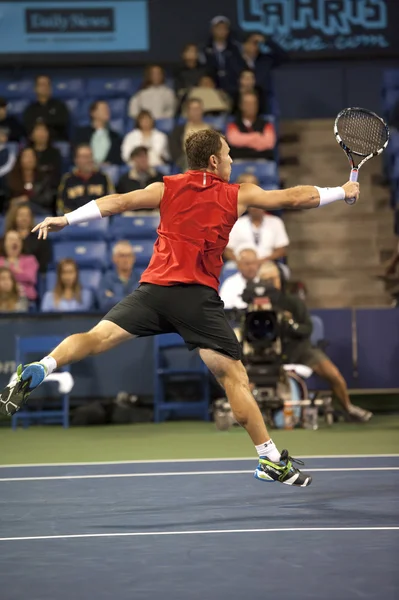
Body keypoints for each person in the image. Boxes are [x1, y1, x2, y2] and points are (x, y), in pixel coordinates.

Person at [0, 129, 361, 488]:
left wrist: (66, 219)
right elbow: (294, 198)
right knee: (234, 378)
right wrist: (341, 191)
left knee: (96, 337)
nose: (233, 160)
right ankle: (269, 460)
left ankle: (42, 367)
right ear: (214, 161)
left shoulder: (165, 186)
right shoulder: (237, 194)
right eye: (229, 154)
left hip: (153, 291)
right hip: (196, 300)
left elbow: (118, 201)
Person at [221, 259, 372, 422]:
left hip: (298, 349)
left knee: (332, 373)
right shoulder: (252, 304)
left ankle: (347, 407)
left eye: (273, 279)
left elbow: (307, 329)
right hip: (263, 352)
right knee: (241, 378)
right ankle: (237, 414)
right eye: (265, 280)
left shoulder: (292, 302)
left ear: (280, 280)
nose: (269, 283)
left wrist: (289, 324)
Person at [225, 174, 289, 265]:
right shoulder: (236, 222)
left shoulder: (275, 222)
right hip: (240, 264)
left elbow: (282, 250)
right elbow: (227, 250)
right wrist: (241, 263)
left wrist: (261, 261)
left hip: (267, 263)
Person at [57, 144, 114, 214]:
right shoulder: (68, 179)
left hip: (99, 219)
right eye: (85, 157)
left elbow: (111, 200)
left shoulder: (103, 177)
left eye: (90, 156)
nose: (89, 160)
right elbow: (61, 204)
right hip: (74, 220)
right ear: (76, 160)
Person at [226, 92, 276, 160]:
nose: (251, 107)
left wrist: (244, 141)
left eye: (253, 103)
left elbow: (269, 143)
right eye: (247, 104)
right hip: (239, 161)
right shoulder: (233, 124)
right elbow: (234, 140)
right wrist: (256, 136)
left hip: (262, 161)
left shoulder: (266, 124)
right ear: (241, 106)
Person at [6, 147, 56, 215]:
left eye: (32, 156)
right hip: (15, 212)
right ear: (20, 159)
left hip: (38, 211)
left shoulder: (44, 177)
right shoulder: (10, 177)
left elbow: (48, 199)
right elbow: (5, 200)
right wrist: (16, 201)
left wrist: (28, 199)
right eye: (26, 156)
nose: (30, 159)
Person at [4, 204, 52, 273]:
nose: (24, 218)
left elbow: (44, 263)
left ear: (31, 218)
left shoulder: (40, 239)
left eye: (27, 215)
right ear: (14, 218)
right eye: (21, 215)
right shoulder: (6, 238)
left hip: (32, 275)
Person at [73, 101, 122, 166]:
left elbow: (117, 159)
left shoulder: (115, 136)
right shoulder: (81, 134)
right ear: (93, 113)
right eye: (103, 109)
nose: (107, 112)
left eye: (108, 109)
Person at [23, 75, 69, 141]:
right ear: (35, 88)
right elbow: (28, 128)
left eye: (47, 85)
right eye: (41, 85)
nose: (44, 87)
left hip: (56, 141)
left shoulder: (60, 106)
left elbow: (62, 125)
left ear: (51, 88)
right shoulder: (30, 109)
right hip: (35, 143)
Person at [200, 15, 240, 91]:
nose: (221, 31)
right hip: (212, 88)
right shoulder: (205, 49)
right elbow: (203, 69)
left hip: (232, 88)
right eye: (218, 28)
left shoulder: (235, 49)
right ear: (212, 30)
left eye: (224, 28)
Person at [97, 241, 140, 312]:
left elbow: (143, 304)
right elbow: (104, 304)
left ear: (134, 258)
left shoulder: (140, 279)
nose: (126, 259)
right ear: (114, 258)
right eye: (122, 255)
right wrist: (132, 300)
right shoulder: (106, 279)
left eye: (129, 255)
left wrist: (114, 298)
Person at [169, 98, 210, 170]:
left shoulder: (212, 129)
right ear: (188, 112)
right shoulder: (179, 130)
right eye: (193, 109)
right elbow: (174, 150)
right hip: (187, 160)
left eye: (198, 109)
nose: (196, 112)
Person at [0, 230, 38, 301]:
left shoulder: (30, 259)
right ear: (4, 243)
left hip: (26, 298)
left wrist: (6, 275)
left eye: (18, 239)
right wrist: (19, 272)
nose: (15, 242)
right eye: (11, 239)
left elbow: (30, 277)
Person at [30, 122, 62, 189]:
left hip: (49, 189)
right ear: (32, 135)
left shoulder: (55, 153)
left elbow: (56, 175)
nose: (41, 133)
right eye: (38, 130)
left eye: (44, 130)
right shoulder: (27, 152)